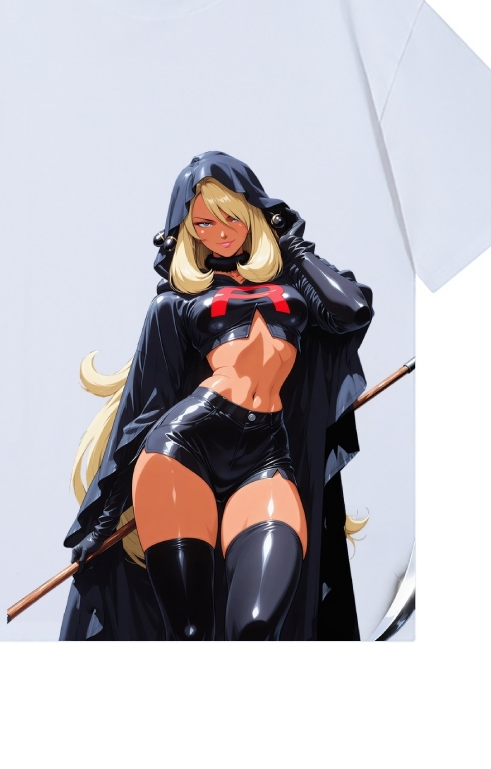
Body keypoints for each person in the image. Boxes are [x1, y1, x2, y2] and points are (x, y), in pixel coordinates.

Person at [60, 151, 374, 640]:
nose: (220, 232)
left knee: (256, 627)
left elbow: (352, 311)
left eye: (231, 216)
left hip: (266, 457)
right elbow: (143, 409)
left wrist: (293, 245)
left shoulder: (292, 283)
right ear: (188, 231)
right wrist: (101, 523)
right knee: (190, 634)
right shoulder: (174, 305)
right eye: (204, 223)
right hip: (181, 451)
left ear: (253, 213)